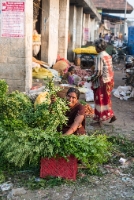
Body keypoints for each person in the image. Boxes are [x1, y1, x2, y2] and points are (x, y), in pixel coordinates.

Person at [88, 39, 116, 127]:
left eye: (95, 47)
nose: (95, 49)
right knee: (106, 99)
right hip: (109, 80)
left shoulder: (99, 56)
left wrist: (90, 78)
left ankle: (99, 121)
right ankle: (111, 115)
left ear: (98, 47)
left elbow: (98, 72)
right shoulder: (107, 55)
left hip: (102, 81)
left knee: (99, 100)